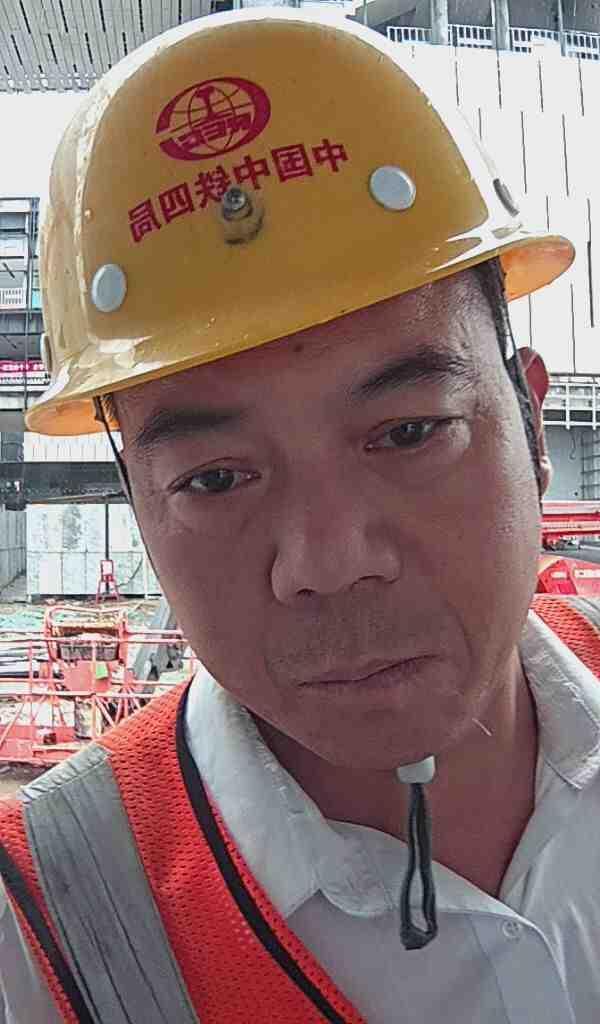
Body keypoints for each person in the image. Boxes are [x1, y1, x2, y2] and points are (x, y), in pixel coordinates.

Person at [0, 9, 596, 1023]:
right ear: (139, 505)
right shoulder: (44, 936)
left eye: (409, 432)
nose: (328, 560)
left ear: (532, 421)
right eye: (216, 480)